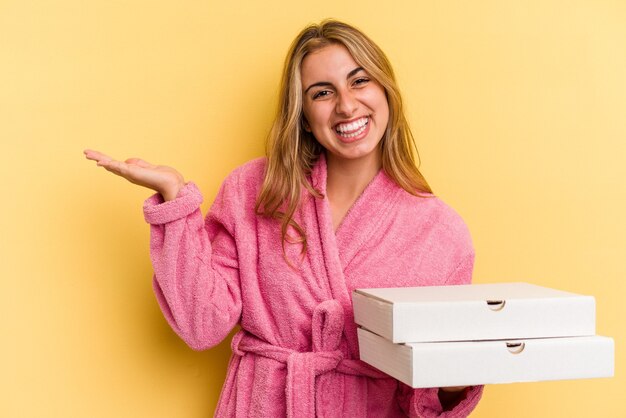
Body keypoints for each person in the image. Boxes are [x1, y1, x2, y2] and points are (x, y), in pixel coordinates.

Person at [85, 19, 483, 417]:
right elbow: (201, 323)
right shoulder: (254, 191)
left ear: (386, 91)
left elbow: (429, 400)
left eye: (359, 81)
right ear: (305, 116)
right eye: (322, 93)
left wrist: (454, 382)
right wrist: (175, 204)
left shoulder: (442, 233)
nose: (346, 105)